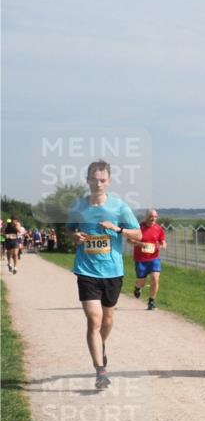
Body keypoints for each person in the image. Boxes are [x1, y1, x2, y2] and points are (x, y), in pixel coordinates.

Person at [67, 160, 141, 390]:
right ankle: (100, 371)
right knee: (94, 320)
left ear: (109, 181)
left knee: (107, 320)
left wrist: (117, 228)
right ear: (87, 180)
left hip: (112, 271)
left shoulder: (119, 207)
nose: (98, 184)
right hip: (86, 270)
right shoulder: (78, 207)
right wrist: (75, 236)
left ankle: (102, 345)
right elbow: (70, 228)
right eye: (94, 179)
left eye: (102, 180)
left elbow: (138, 234)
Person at [129, 209, 167, 310]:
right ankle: (137, 287)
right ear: (146, 217)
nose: (153, 219)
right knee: (142, 282)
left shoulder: (158, 229)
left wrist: (163, 246)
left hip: (154, 258)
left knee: (155, 279)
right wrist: (141, 244)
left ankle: (151, 302)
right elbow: (129, 240)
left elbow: (163, 241)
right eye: (151, 216)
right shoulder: (138, 228)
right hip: (141, 259)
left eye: (155, 217)